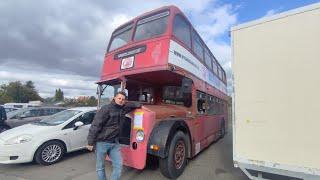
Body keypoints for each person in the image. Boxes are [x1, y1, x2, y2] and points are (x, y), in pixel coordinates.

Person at [87, 91, 141, 180]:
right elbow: (95, 125)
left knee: (119, 165)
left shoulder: (123, 109)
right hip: (102, 143)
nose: (121, 100)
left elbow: (133, 104)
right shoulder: (106, 109)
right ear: (114, 98)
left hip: (115, 144)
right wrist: (90, 142)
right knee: (100, 167)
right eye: (119, 98)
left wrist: (140, 105)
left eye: (123, 99)